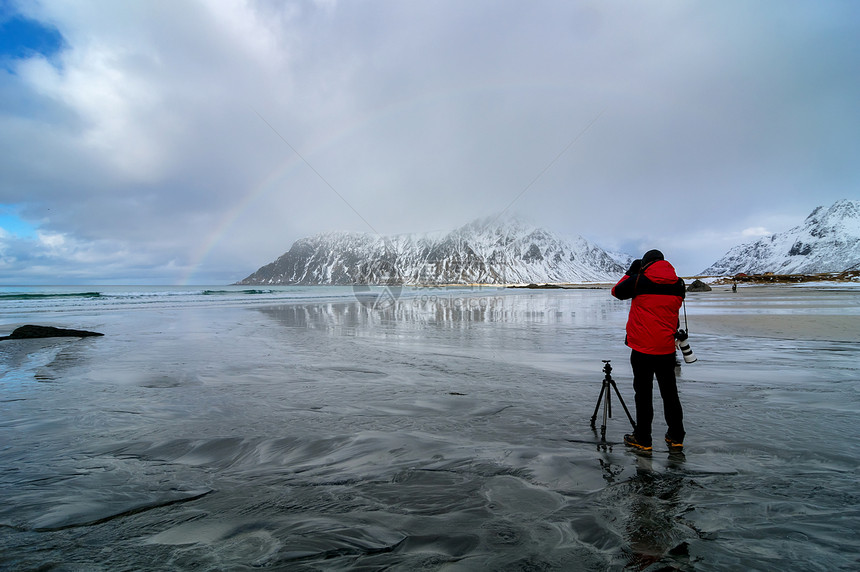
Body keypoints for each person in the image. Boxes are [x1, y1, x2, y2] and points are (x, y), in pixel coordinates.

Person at [611, 249, 686, 452]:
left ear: (645, 264)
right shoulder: (678, 283)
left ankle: (643, 438)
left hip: (642, 347)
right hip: (666, 348)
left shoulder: (639, 280)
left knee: (643, 394)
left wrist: (631, 272)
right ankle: (676, 436)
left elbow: (617, 292)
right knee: (670, 394)